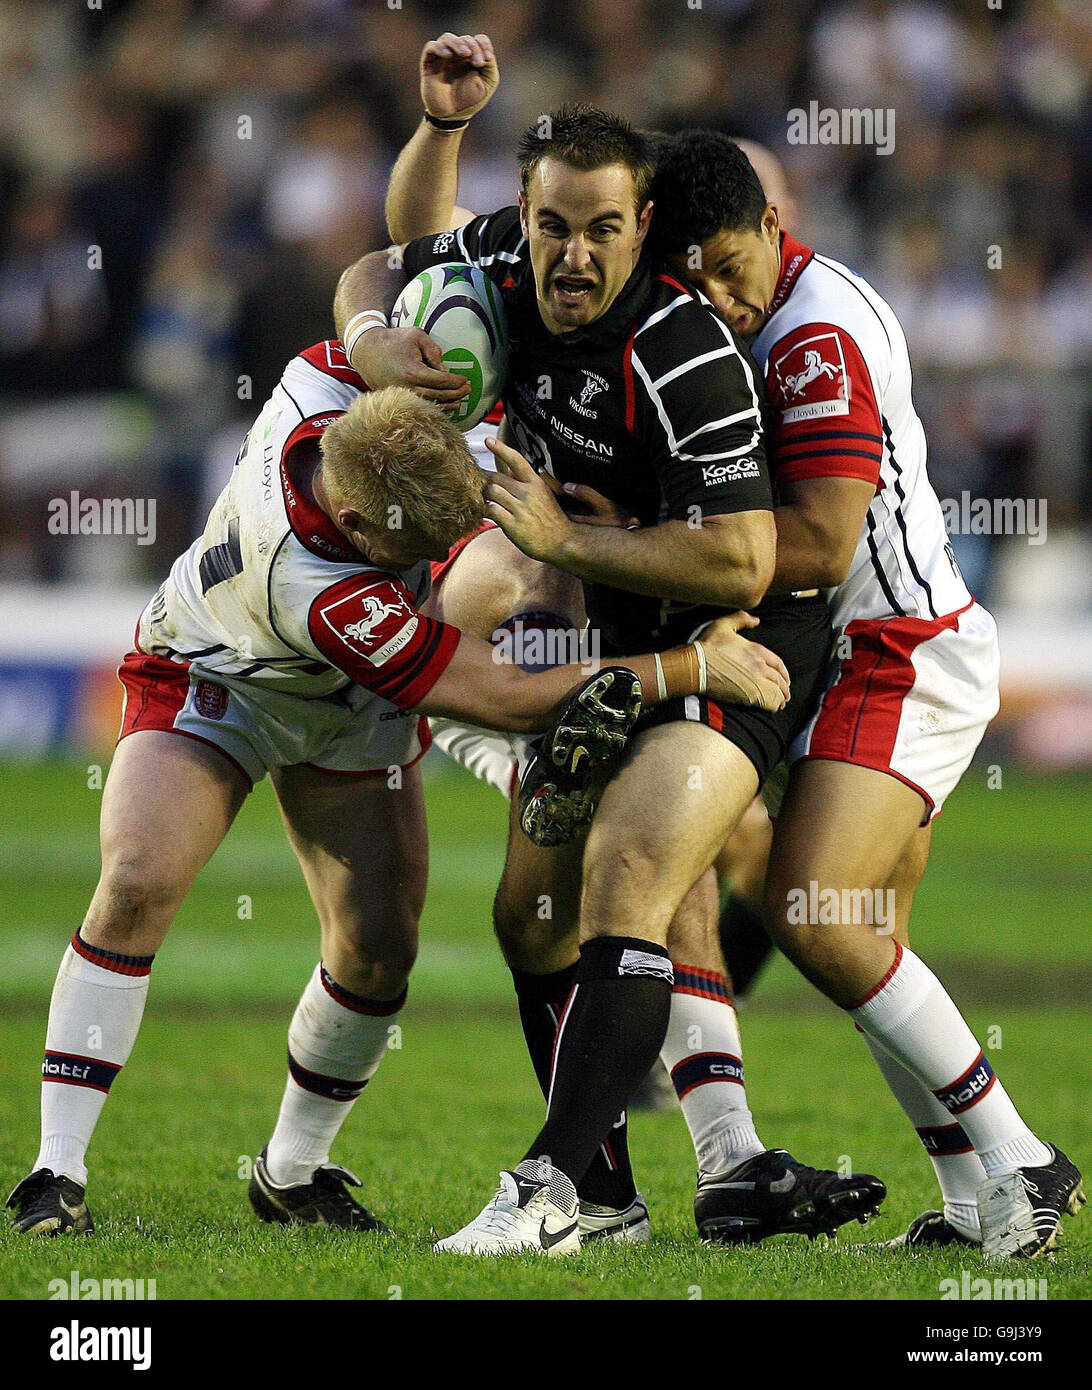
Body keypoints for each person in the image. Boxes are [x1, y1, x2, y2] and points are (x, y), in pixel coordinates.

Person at [5, 342, 785, 1238]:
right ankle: (53, 1170)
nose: (439, 555)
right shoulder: (322, 587)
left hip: (351, 707)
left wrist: (378, 333)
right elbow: (494, 687)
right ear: (356, 522)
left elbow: (374, 286)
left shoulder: (328, 378)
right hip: (217, 679)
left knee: (378, 950)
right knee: (138, 879)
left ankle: (291, 1173)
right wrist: (687, 665)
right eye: (418, 544)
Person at [337, 102, 887, 1256]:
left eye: (601, 230)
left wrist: (566, 545)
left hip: (740, 632)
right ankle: (613, 1194)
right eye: (552, 226)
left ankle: (547, 1186)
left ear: (642, 228)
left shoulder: (685, 355)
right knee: (527, 917)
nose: (573, 255)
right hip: (610, 615)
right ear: (525, 216)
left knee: (629, 868)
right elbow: (375, 266)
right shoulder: (503, 251)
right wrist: (373, 344)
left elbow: (746, 555)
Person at [644, 129, 1083, 1259]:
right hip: (877, 649)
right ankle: (976, 1196)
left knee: (812, 909)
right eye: (696, 278)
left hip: (902, 645)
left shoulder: (812, 334)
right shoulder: (785, 302)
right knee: (868, 932)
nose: (719, 299)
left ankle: (1024, 1156)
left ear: (774, 231)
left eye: (732, 270)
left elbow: (826, 539)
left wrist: (641, 548)